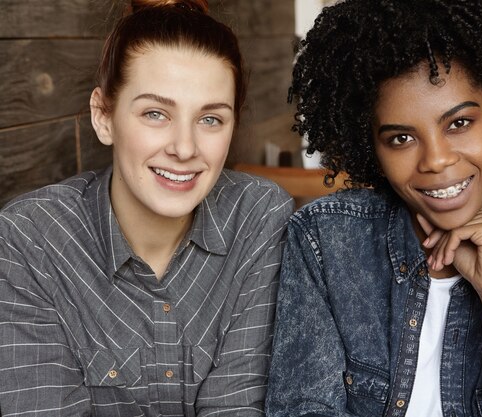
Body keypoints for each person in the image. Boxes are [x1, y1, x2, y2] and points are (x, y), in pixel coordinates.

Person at [265, 1, 482, 416]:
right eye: (401, 139)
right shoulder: (325, 243)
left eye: (459, 124)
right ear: (372, 148)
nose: (436, 160)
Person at [0, 0, 293, 415]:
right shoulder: (29, 240)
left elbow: (236, 403)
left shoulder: (258, 217)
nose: (184, 148)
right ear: (104, 116)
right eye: (156, 113)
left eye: (210, 119)